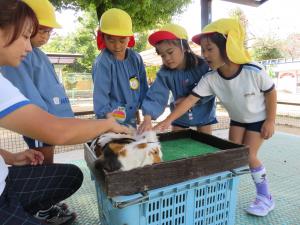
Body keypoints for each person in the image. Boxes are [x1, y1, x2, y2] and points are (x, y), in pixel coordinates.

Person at [0, 1, 129, 224]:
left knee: (71, 174)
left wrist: (8, 157)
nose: (29, 47)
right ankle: (37, 212)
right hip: (6, 190)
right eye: (24, 36)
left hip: (5, 180)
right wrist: (107, 124)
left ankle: (31, 209)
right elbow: (55, 131)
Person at [155, 18, 277, 217]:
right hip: (238, 120)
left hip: (259, 119)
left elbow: (271, 92)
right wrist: (167, 121)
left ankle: (265, 197)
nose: (204, 55)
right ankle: (221, 193)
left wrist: (270, 120)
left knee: (248, 155)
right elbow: (189, 101)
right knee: (230, 155)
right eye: (202, 50)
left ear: (228, 46)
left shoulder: (252, 70)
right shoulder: (211, 78)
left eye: (209, 49)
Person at [1, 0, 73, 165]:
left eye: (49, 32)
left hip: (52, 122)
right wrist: (47, 124)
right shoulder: (17, 57)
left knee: (47, 164)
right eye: (41, 30)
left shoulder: (39, 54)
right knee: (44, 165)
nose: (45, 37)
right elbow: (29, 96)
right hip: (42, 125)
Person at [138, 24, 216, 134]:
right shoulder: (164, 74)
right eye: (162, 55)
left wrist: (191, 101)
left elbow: (213, 89)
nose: (167, 58)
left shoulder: (203, 66)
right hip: (179, 117)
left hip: (205, 114)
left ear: (184, 47)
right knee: (177, 144)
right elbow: (156, 96)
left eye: (170, 52)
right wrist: (147, 119)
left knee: (208, 146)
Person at [93, 8, 148, 128]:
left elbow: (144, 89)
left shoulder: (136, 58)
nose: (117, 46)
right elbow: (100, 97)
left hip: (130, 121)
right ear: (103, 37)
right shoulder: (103, 62)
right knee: (114, 145)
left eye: (122, 40)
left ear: (130, 37)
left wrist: (147, 117)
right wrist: (112, 124)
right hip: (108, 121)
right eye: (110, 40)